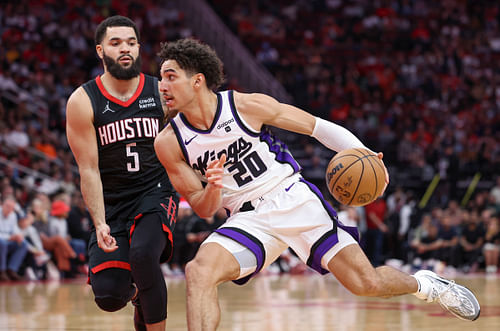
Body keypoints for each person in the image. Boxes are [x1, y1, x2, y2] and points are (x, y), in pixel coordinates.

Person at [153, 38, 480, 330]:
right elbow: (202, 206)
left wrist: (363, 154)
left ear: (197, 81)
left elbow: (317, 128)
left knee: (366, 283)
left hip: (293, 199)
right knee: (198, 271)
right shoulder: (168, 142)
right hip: (246, 218)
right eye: (161, 77)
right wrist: (212, 187)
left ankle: (426, 286)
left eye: (171, 76)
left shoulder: (245, 106)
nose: (162, 85)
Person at [66, 16, 178, 331]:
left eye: (130, 42)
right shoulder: (83, 100)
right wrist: (100, 222)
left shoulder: (159, 92)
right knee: (109, 295)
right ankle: (140, 295)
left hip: (156, 192)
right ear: (101, 51)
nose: (125, 48)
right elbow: (87, 168)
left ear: (139, 47)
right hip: (113, 202)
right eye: (116, 43)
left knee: (143, 255)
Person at [0, 196, 28, 281]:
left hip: (8, 240)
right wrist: (9, 238)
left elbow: (15, 229)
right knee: (2, 243)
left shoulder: (13, 215)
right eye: (7, 206)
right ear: (2, 205)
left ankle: (12, 270)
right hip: (2, 241)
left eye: (12, 207)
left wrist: (18, 236)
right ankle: (2, 271)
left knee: (23, 244)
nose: (9, 209)